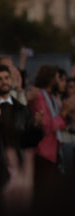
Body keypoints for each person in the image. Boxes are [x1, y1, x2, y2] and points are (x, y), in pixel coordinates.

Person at [0, 64, 43, 216]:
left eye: (6, 78)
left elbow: (28, 142)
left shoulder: (22, 109)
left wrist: (37, 129)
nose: (4, 82)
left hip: (17, 167)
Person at [28, 65, 75, 202]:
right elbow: (47, 126)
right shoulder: (39, 96)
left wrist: (68, 113)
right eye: (61, 79)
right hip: (43, 152)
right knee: (45, 195)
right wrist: (65, 113)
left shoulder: (51, 97)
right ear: (51, 79)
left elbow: (60, 122)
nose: (64, 83)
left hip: (53, 151)